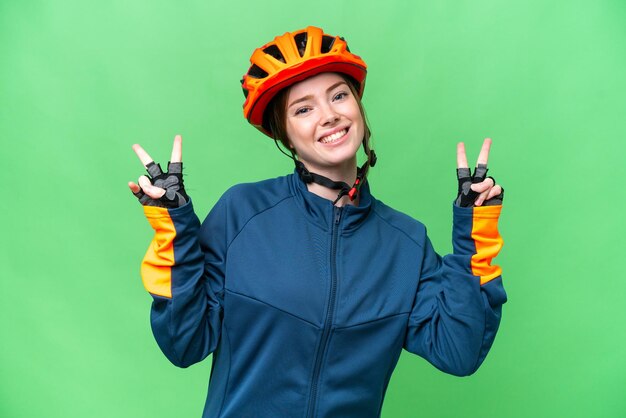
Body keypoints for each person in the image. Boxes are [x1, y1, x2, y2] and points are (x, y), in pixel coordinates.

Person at [128, 26, 506, 418]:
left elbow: (458, 351)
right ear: (286, 135)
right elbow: (184, 343)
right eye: (303, 109)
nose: (329, 116)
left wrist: (473, 233)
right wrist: (176, 226)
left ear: (358, 108)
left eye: (339, 96)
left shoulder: (406, 242)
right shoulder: (242, 212)